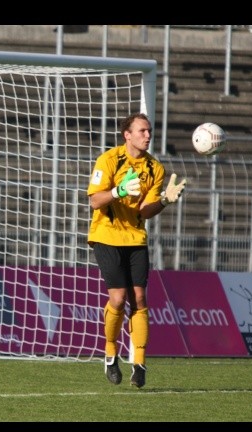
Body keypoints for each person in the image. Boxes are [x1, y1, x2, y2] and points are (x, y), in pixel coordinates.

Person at [87, 112, 186, 388]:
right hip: (106, 235)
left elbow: (145, 210)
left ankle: (139, 363)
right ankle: (110, 354)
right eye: (142, 131)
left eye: (150, 131)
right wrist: (118, 191)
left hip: (136, 238)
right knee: (118, 299)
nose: (148, 135)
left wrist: (165, 200)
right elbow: (95, 201)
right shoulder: (108, 160)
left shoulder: (155, 168)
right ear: (127, 135)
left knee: (139, 298)